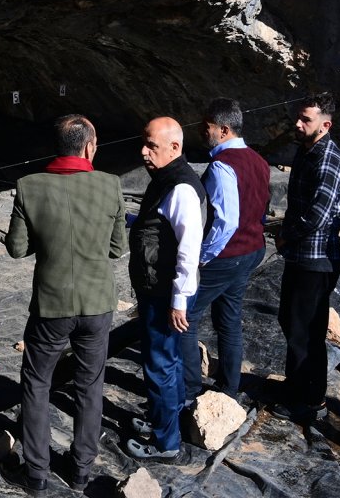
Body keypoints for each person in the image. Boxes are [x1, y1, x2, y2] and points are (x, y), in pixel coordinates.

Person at [2, 115, 127, 494]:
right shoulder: (111, 184)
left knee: (37, 384)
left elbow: (16, 248)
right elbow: (117, 248)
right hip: (97, 303)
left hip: (51, 306)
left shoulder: (28, 187)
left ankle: (36, 474)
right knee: (90, 384)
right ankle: (80, 470)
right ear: (89, 147)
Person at [180, 98, 271, 401]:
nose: (201, 132)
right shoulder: (258, 160)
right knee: (229, 319)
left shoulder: (221, 167)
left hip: (227, 255)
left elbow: (226, 222)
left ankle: (189, 390)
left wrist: (202, 258)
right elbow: (261, 208)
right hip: (252, 250)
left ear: (223, 129)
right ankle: (229, 388)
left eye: (206, 127)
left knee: (186, 317)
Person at [126, 116, 205, 462]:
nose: (144, 152)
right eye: (143, 144)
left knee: (160, 365)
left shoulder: (182, 188)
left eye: (151, 146)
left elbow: (189, 249)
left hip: (164, 295)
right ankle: (163, 422)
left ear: (175, 147)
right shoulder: (166, 178)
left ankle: (165, 442)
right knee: (166, 362)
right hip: (160, 291)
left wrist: (178, 301)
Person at [273, 93, 340, 422]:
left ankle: (311, 400)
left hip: (317, 259)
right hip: (300, 255)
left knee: (308, 331)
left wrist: (286, 233)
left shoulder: (328, 159)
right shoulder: (306, 152)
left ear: (325, 125)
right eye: (298, 117)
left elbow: (318, 214)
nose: (298, 123)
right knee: (291, 322)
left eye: (306, 119)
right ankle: (295, 387)